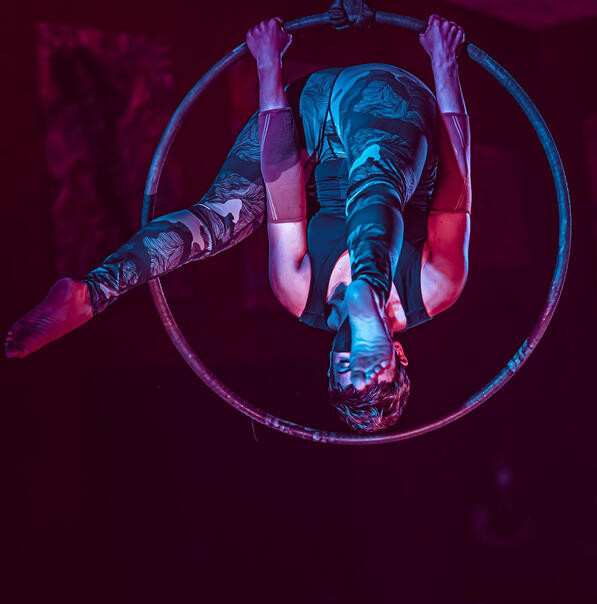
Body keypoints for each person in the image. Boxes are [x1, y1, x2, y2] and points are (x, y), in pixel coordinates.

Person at [6, 14, 471, 434]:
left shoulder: (297, 292)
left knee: (221, 221)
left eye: (344, 365)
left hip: (308, 121)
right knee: (376, 184)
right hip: (386, 111)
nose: (352, 356)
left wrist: (269, 70)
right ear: (400, 355)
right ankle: (368, 285)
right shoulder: (435, 288)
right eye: (373, 365)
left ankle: (94, 292)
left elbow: (283, 189)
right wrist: (444, 64)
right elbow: (455, 182)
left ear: (329, 364)